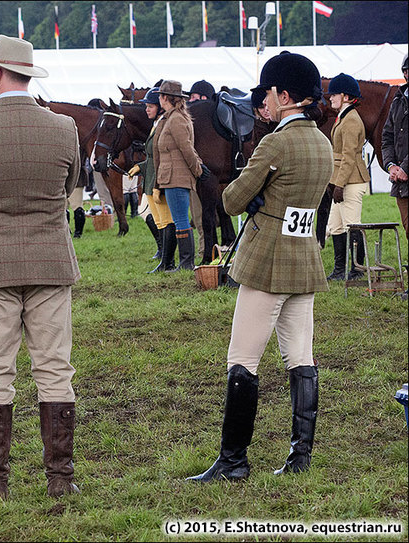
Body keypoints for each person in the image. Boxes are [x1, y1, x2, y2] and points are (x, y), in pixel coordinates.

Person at [188, 52, 333, 483]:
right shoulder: (321, 142)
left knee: (242, 359)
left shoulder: (275, 142)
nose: (263, 102)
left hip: (268, 260)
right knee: (300, 358)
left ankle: (233, 460)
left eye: (268, 93)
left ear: (286, 96)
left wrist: (251, 195)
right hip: (303, 257)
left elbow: (231, 201)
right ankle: (299, 457)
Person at [0, 34, 82, 499]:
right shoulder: (64, 128)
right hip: (49, 259)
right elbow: (72, 183)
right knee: (54, 369)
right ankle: (60, 479)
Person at [154, 80, 208, 271]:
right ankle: (184, 262)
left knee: (180, 220)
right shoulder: (172, 117)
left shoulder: (176, 119)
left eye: (160, 95)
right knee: (179, 219)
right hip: (172, 176)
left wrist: (198, 169)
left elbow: (186, 148)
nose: (158, 98)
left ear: (165, 98)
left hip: (177, 176)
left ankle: (186, 263)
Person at [325, 73, 370, 281]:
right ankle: (340, 270)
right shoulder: (343, 116)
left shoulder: (351, 119)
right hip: (342, 179)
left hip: (351, 180)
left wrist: (339, 185)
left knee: (352, 225)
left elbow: (349, 156)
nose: (330, 98)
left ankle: (358, 270)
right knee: (335, 226)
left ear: (345, 96)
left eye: (333, 94)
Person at [129, 87, 177, 272]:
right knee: (159, 222)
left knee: (167, 221)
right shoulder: (156, 124)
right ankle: (164, 261)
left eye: (150, 106)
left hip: (158, 180)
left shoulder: (163, 125)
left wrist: (158, 184)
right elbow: (151, 156)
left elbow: (162, 157)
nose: (147, 110)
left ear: (160, 107)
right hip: (150, 179)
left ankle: (168, 263)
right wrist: (140, 167)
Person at [382, 55, 408, 244]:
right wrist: (391, 165)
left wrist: (405, 168)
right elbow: (387, 137)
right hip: (401, 181)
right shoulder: (397, 101)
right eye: (406, 70)